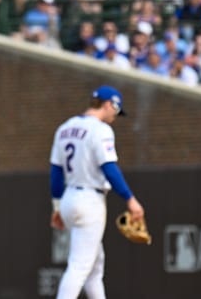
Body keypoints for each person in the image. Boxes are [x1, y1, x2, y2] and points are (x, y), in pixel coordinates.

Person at [49, 85, 145, 299]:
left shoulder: (64, 128)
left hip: (68, 198)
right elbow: (109, 168)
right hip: (89, 200)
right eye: (116, 111)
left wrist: (57, 207)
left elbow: (56, 173)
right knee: (79, 267)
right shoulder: (100, 130)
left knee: (94, 265)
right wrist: (130, 199)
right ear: (109, 104)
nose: (115, 117)